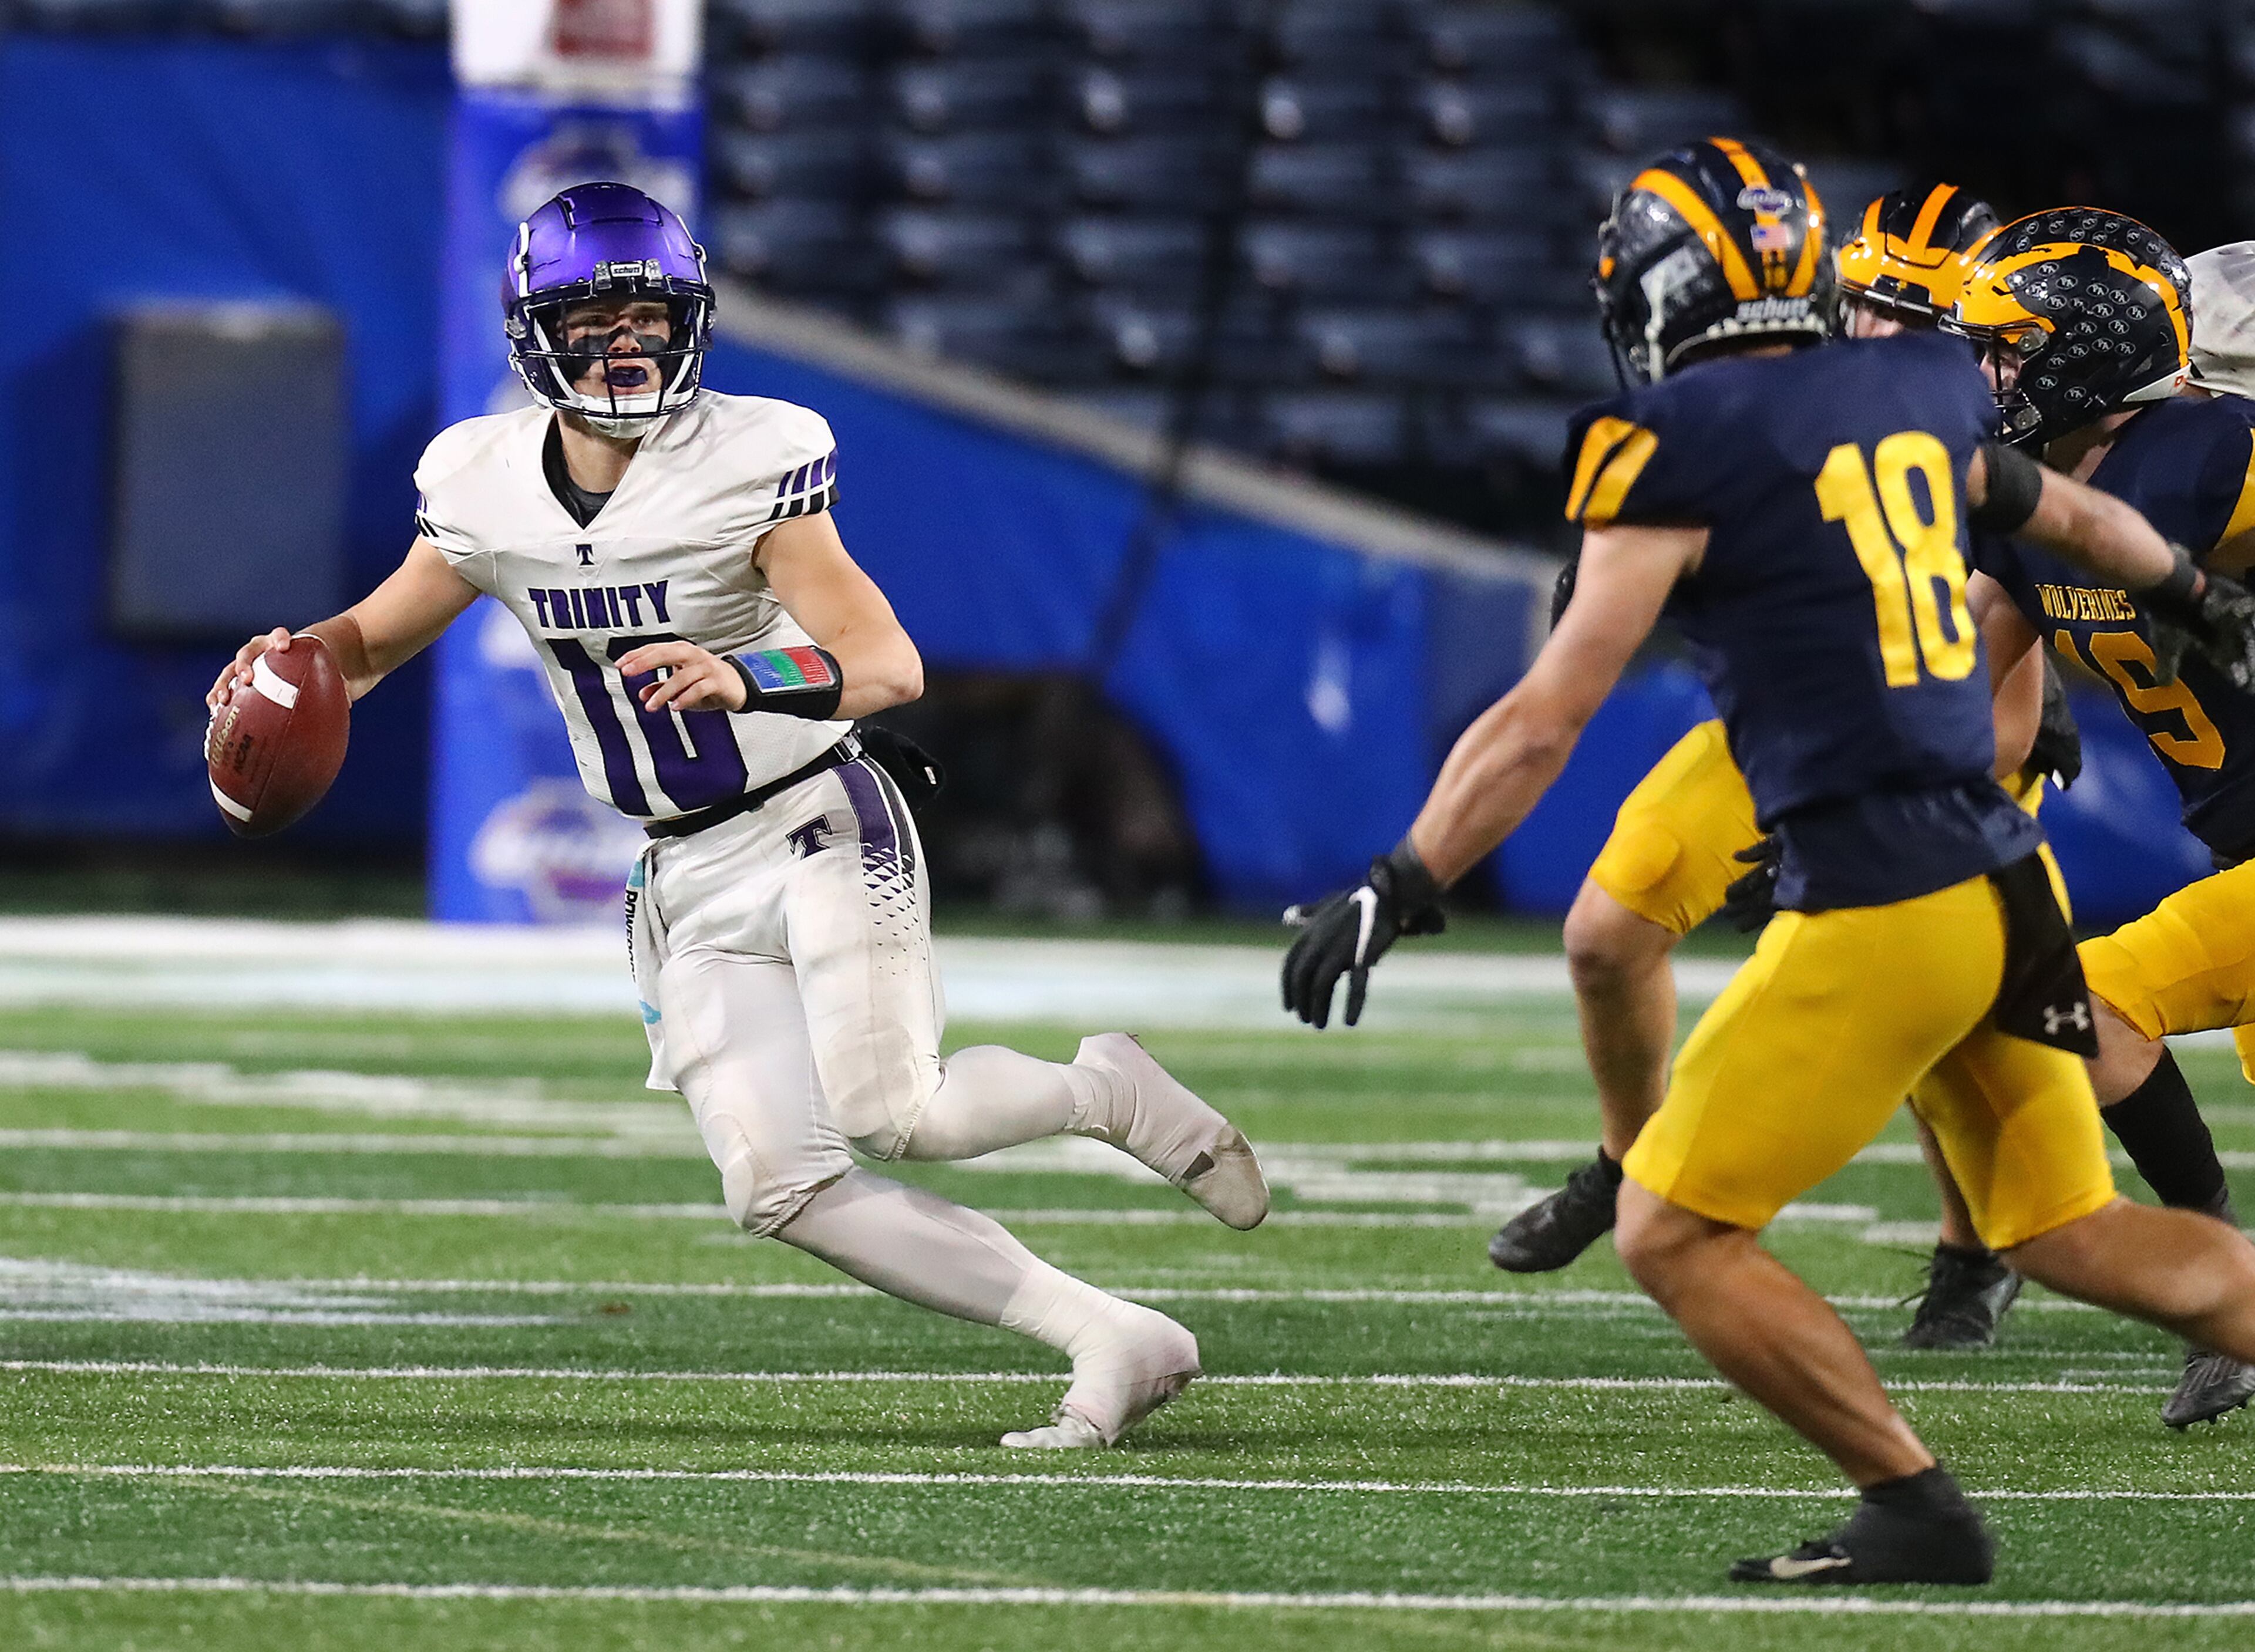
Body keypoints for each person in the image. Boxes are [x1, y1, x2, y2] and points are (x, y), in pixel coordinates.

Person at [1282, 138, 2255, 1584]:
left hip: (1888, 886)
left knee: (1675, 1236)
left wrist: (1401, 879)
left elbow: (1549, 715)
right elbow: (2068, 521)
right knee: (2073, 1232)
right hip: (2005, 872)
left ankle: (1915, 1506)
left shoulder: (1676, 443)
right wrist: (2188, 591)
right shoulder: (1918, 390)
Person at [208, 181, 1269, 1451]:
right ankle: (1112, 1332)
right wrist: (290, 657)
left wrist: (746, 672)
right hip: (681, 872)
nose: (628, 344)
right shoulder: (481, 482)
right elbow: (374, 639)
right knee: (783, 1184)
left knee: (898, 1114)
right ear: (531, 330)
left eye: (650, 316)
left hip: (818, 815)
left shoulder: (748, 460)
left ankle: (1102, 1090)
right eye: (595, 318)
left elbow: (887, 663)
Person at [1486, 181, 2055, 1353]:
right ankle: (1626, 1158)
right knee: (1605, 930)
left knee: (1926, 1018)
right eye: (1870, 305)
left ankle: (1974, 1244)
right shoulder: (1804, 398)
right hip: (1788, 737)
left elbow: (2003, 714)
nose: (1877, 334)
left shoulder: (1984, 445)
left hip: (1939, 766)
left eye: (1914, 319)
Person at [1943, 209, 2255, 1424]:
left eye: (2007, 350)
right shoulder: (2043, 504)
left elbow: (2143, 542)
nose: (1985, 378)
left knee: (2096, 1000)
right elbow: (1956, 686)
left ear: (2088, 348)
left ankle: (2215, 1289)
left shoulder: (2200, 440)